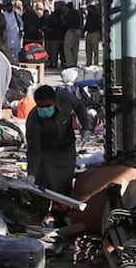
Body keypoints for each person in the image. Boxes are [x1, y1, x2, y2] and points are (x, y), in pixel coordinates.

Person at [26, 85, 92, 224]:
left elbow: (80, 106)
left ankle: (61, 213)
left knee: (64, 181)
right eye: (40, 106)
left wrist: (85, 127)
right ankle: (43, 213)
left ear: (55, 101)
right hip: (46, 152)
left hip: (66, 148)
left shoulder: (65, 97)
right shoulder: (33, 121)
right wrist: (31, 173)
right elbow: (34, 149)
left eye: (48, 106)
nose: (44, 110)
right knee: (44, 183)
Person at [84, 2, 103, 67]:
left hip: (95, 32)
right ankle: (89, 62)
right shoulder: (90, 16)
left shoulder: (96, 16)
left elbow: (99, 25)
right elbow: (86, 24)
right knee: (89, 49)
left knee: (94, 49)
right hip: (91, 32)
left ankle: (94, 62)